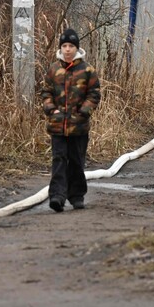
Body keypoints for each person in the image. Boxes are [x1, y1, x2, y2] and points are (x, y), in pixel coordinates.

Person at [40, 28, 101, 212]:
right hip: (57, 125)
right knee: (59, 159)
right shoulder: (53, 69)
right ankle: (57, 196)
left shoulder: (87, 70)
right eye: (64, 46)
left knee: (76, 160)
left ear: (76, 48)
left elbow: (94, 94)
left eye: (71, 46)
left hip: (79, 126)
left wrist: (83, 112)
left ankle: (76, 196)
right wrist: (51, 109)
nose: (67, 49)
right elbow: (46, 92)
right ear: (60, 48)